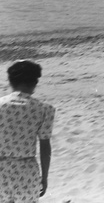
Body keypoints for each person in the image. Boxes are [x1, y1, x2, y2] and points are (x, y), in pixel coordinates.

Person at [0, 60, 55, 201]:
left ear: (10, 82)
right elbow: (45, 148)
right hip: (27, 171)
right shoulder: (44, 109)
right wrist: (45, 177)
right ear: (34, 83)